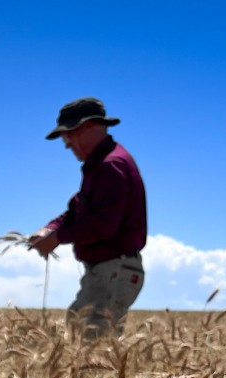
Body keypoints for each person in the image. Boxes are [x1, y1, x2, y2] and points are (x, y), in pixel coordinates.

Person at [29, 97, 147, 338]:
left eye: (69, 134)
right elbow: (77, 210)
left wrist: (57, 237)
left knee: (91, 345)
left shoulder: (110, 166)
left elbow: (103, 226)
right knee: (79, 333)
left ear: (89, 126)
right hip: (109, 270)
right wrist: (49, 229)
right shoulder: (101, 165)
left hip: (113, 270)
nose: (66, 143)